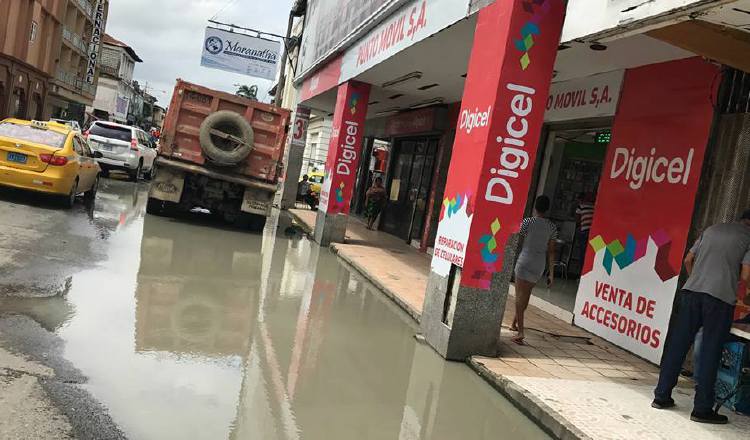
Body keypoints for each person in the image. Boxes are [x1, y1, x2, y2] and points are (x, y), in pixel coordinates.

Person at [653, 209, 750, 424]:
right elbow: (745, 275)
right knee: (710, 351)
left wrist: (697, 279)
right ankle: (702, 409)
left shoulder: (712, 229)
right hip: (719, 299)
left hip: (692, 292)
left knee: (678, 344)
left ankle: (661, 396)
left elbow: (688, 259)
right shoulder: (748, 238)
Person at [511, 195, 558, 344]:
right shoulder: (552, 227)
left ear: (535, 207)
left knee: (519, 296)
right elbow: (551, 252)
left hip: (525, 260)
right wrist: (551, 273)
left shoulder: (527, 222)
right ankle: (514, 323)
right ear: (547, 209)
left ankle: (521, 332)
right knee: (525, 295)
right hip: (539, 264)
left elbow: (518, 239)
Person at [575, 192, 595, 265]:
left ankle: (581, 269)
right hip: (593, 233)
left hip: (584, 231)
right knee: (590, 252)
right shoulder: (594, 206)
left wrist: (579, 227)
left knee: (582, 251)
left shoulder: (581, 206)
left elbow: (577, 218)